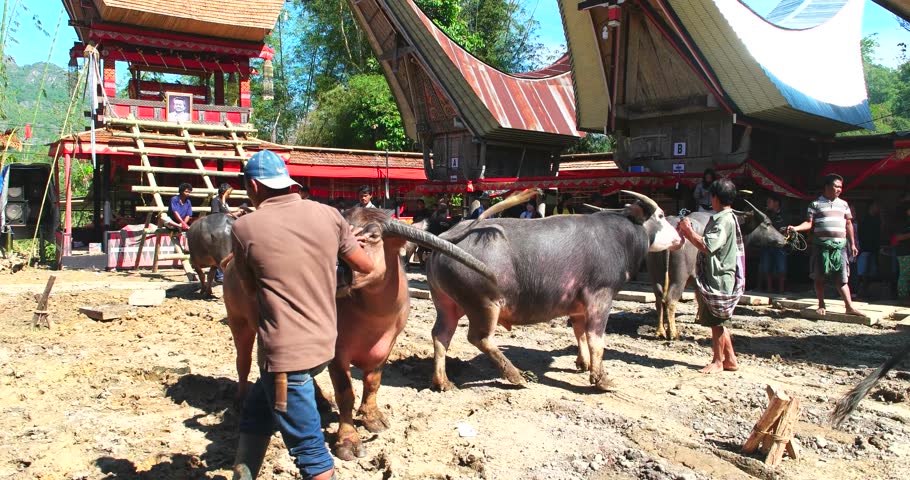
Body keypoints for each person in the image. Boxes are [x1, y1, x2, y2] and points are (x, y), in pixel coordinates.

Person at [230, 149, 374, 480]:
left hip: (285, 356)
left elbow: (251, 290)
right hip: (323, 345)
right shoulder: (329, 215)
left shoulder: (244, 227)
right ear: (287, 181)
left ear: (253, 186)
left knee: (309, 450)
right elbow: (364, 266)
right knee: (256, 412)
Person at [677, 178, 743, 374]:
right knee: (720, 319)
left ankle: (717, 361)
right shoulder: (727, 217)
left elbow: (707, 246)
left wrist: (688, 232)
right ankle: (730, 358)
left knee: (716, 321)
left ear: (715, 198)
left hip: (718, 276)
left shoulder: (722, 220)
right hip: (721, 274)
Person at [787, 174, 862, 316]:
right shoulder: (815, 204)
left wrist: (852, 244)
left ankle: (849, 306)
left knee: (842, 278)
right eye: (836, 186)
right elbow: (809, 223)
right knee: (819, 277)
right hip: (820, 246)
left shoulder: (844, 204)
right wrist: (795, 228)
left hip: (840, 246)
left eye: (841, 187)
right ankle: (821, 304)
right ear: (827, 187)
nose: (839, 189)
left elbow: (848, 224)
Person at [759, 196, 788, 293]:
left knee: (781, 268)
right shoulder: (766, 215)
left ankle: (781, 290)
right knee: (766, 267)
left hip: (779, 245)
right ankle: (769, 289)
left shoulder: (784, 215)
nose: (767, 204)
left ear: (776, 203)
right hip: (767, 244)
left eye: (769, 201)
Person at [856, 201, 882, 298]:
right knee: (862, 271)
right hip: (865, 249)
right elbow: (863, 235)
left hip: (874, 249)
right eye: (876, 206)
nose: (878, 208)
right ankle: (859, 292)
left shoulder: (877, 219)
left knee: (871, 272)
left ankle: (867, 292)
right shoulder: (865, 220)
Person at [892, 204, 910, 305]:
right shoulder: (901, 223)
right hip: (904, 253)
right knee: (905, 275)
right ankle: (903, 296)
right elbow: (897, 237)